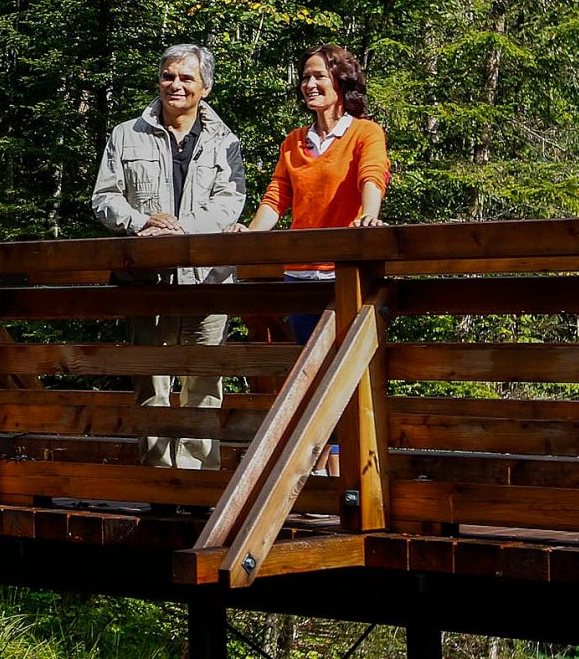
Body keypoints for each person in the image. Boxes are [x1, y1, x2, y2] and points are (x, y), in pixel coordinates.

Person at [92, 43, 247, 470]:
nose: (175, 85)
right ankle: (160, 483)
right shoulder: (126, 133)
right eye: (168, 76)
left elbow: (230, 202)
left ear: (206, 88)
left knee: (204, 385)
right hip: (146, 282)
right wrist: (142, 222)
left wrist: (181, 231)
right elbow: (104, 197)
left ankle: (198, 486)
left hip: (207, 282)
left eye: (186, 78)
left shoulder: (226, 140)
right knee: (151, 384)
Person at [230, 43, 390, 344]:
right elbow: (276, 196)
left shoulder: (364, 133)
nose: (309, 85)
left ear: (341, 81)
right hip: (299, 274)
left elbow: (372, 175)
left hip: (344, 273)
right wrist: (250, 235)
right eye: (305, 77)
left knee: (346, 367)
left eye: (319, 76)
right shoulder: (293, 142)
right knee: (307, 366)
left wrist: (369, 216)